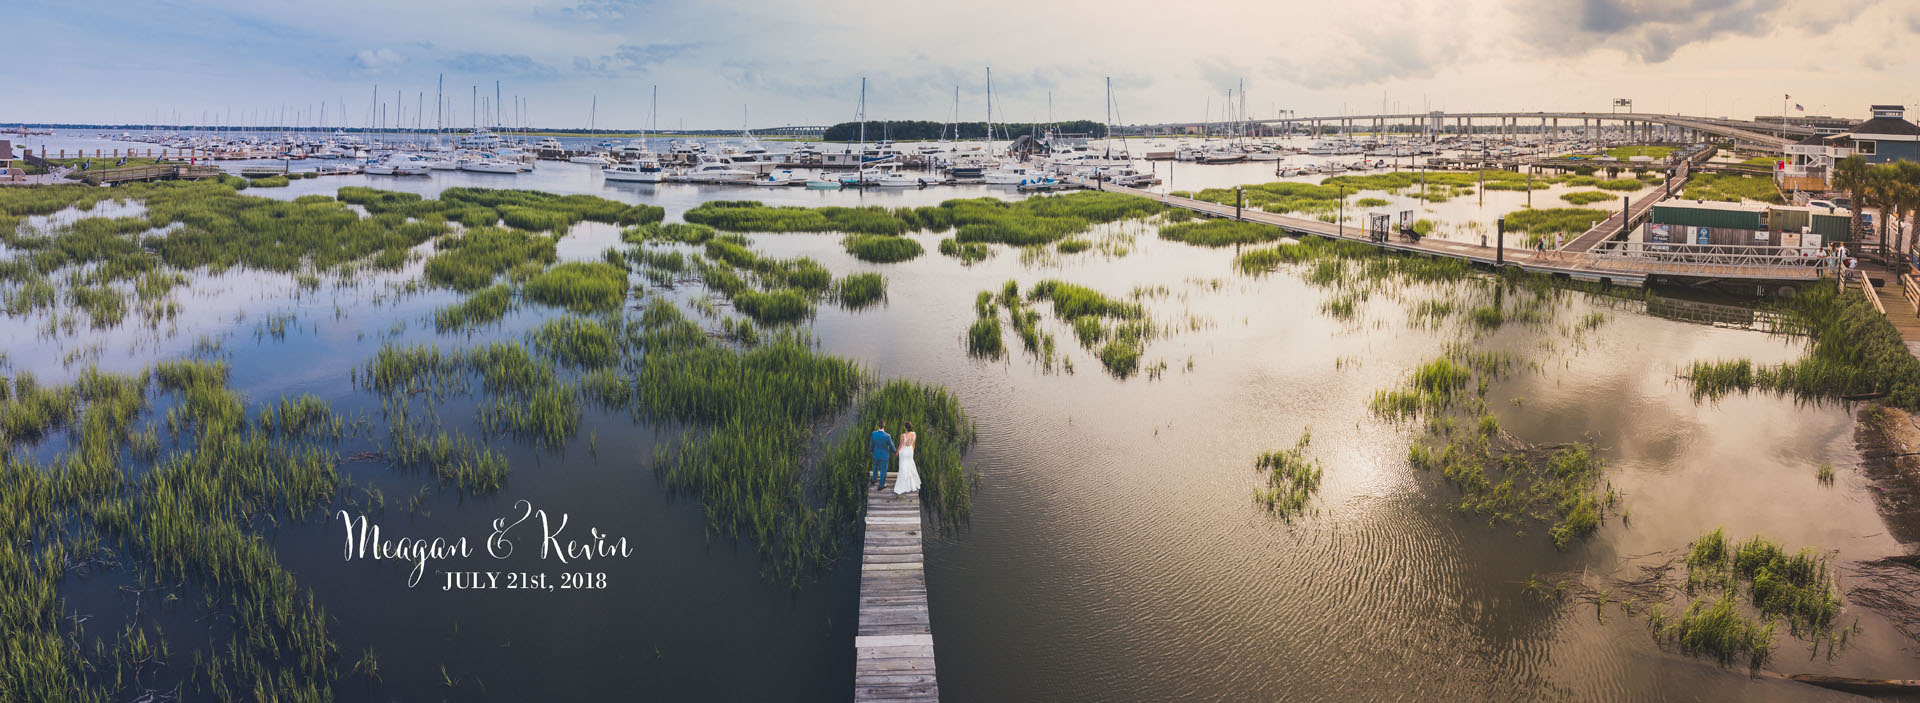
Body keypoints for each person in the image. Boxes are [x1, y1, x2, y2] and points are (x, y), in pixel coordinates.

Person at [892, 421, 921, 495]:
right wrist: (912, 452)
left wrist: (896, 453)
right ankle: (912, 484)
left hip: (904, 452)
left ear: (905, 427)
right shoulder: (914, 434)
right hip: (910, 451)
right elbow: (913, 445)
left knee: (903, 467)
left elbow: (900, 446)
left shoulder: (903, 435)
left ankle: (903, 485)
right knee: (910, 466)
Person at [869, 421, 895, 490]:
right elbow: (892, 446)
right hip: (884, 456)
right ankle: (881, 485)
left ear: (878, 426)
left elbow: (871, 444)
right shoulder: (887, 436)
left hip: (876, 454)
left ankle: (873, 479)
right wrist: (895, 452)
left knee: (875, 466)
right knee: (883, 471)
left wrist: (871, 450)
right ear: (884, 426)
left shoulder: (873, 433)